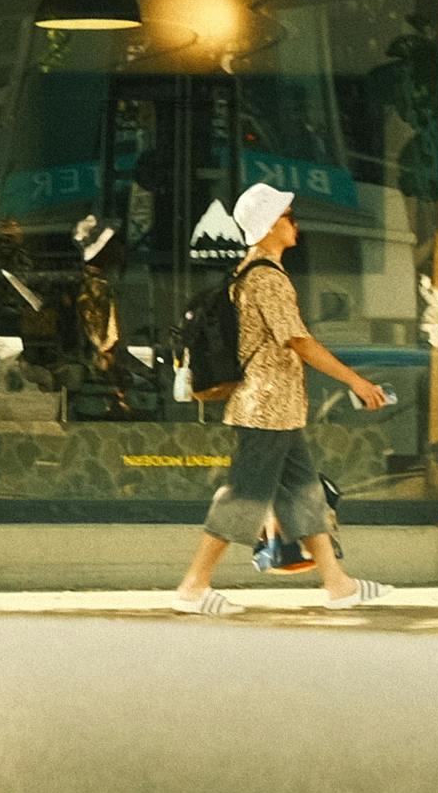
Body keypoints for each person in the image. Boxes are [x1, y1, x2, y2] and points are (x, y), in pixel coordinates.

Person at [169, 184, 397, 616]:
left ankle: (338, 584)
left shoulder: (249, 270)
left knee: (305, 495)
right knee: (242, 498)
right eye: (289, 215)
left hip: (279, 408)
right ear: (271, 224)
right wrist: (356, 382)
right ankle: (193, 587)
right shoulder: (267, 278)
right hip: (267, 407)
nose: (296, 222)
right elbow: (299, 341)